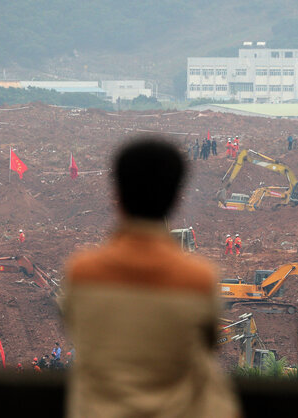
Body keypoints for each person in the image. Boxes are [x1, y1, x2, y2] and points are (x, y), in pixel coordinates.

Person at [63, 136, 240, 417]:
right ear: (175, 199)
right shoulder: (197, 279)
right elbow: (209, 344)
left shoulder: (82, 273)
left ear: (117, 196)